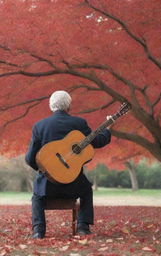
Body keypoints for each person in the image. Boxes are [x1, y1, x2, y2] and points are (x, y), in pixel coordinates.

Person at [25, 90, 112, 239]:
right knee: (86, 190)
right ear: (69, 106)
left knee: (37, 196)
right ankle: (83, 227)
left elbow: (29, 158)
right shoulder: (79, 123)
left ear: (51, 106)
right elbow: (97, 141)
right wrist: (108, 129)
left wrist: (45, 169)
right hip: (74, 185)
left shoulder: (39, 126)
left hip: (48, 187)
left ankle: (38, 231)